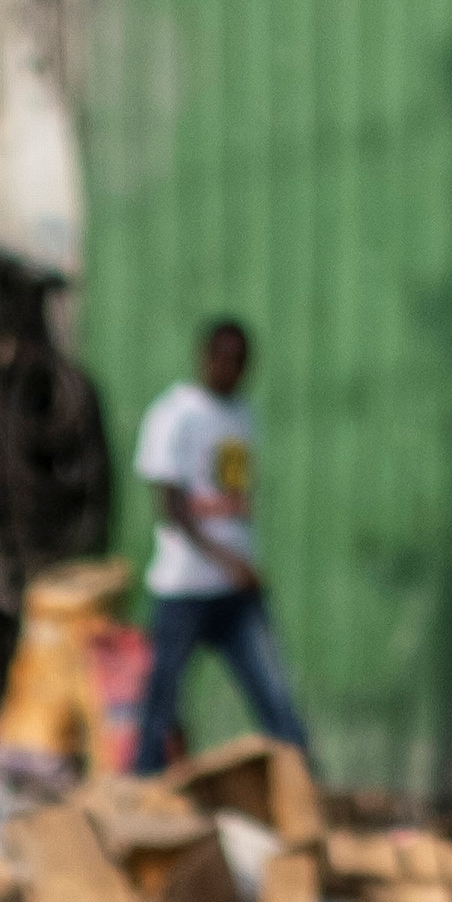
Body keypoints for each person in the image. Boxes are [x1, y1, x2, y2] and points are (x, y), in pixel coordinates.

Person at [124, 313, 303, 770]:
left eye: (241, 361)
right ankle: (141, 795)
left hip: (236, 594)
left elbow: (233, 500)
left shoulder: (243, 416)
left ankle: (306, 795)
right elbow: (172, 506)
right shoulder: (175, 415)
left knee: (277, 701)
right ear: (205, 358)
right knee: (160, 707)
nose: (232, 369)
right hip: (184, 587)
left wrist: (242, 564)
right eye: (224, 358)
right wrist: (226, 559)